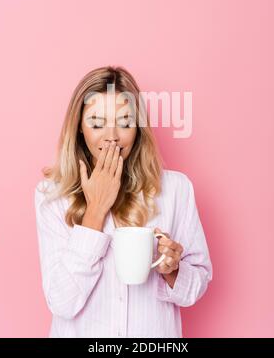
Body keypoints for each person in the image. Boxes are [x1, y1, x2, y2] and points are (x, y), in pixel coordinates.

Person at [34, 65, 212, 338]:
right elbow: (62, 302)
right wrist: (96, 209)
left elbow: (196, 286)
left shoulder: (176, 189)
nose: (112, 135)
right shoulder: (53, 195)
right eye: (97, 122)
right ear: (79, 127)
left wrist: (173, 270)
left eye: (125, 122)